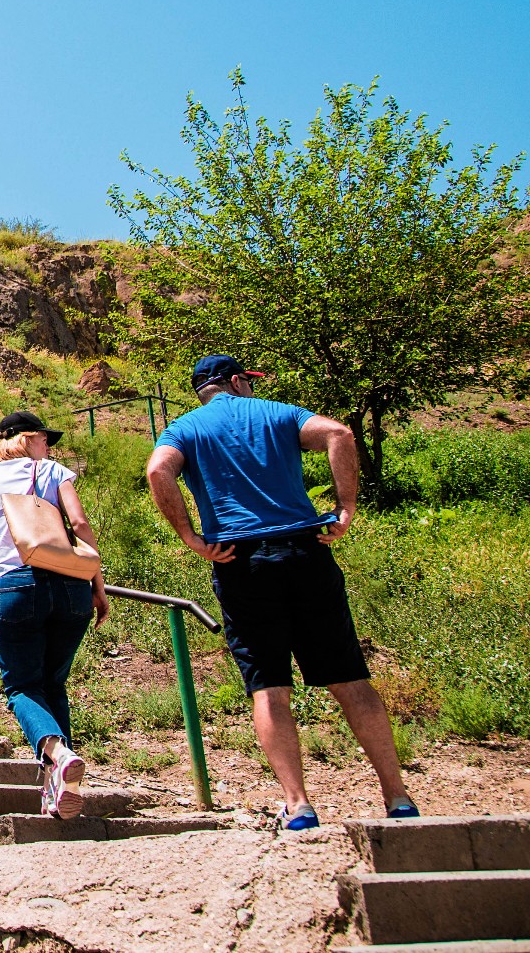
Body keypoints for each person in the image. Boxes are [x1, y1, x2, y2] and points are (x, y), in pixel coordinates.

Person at [146, 354, 418, 831]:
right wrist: (345, 505)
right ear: (236, 381)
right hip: (305, 553)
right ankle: (397, 797)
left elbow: (157, 471)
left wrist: (190, 536)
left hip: (241, 561)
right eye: (247, 381)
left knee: (269, 688)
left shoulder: (184, 429)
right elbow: (340, 433)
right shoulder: (280, 413)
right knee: (350, 679)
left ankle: (298, 805)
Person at [0, 410, 109, 818]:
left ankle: (57, 755)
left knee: (22, 688)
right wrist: (98, 584)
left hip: (14, 587)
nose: (49, 446)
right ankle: (56, 790)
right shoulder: (55, 472)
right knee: (52, 684)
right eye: (45, 438)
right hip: (71, 585)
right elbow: (79, 523)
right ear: (26, 438)